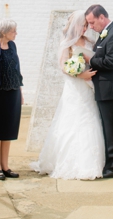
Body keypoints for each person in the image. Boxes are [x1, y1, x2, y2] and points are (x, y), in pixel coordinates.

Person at [32, 10, 105, 179]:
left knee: (90, 120)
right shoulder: (66, 44)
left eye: (87, 25)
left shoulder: (90, 42)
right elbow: (64, 67)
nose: (85, 29)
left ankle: (91, 164)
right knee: (71, 122)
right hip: (74, 87)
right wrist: (80, 74)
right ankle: (69, 163)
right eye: (83, 25)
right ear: (75, 25)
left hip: (88, 88)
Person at [80, 4, 113, 179]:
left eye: (92, 23)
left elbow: (111, 62)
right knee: (108, 130)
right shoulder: (104, 35)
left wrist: (90, 60)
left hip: (112, 91)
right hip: (104, 90)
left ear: (102, 17)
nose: (91, 27)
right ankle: (110, 164)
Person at [0, 19, 24, 181]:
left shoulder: (13, 46)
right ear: (4, 32)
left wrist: (20, 92)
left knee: (8, 132)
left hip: (12, 93)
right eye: (14, 31)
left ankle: (5, 166)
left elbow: (16, 70)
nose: (16, 33)